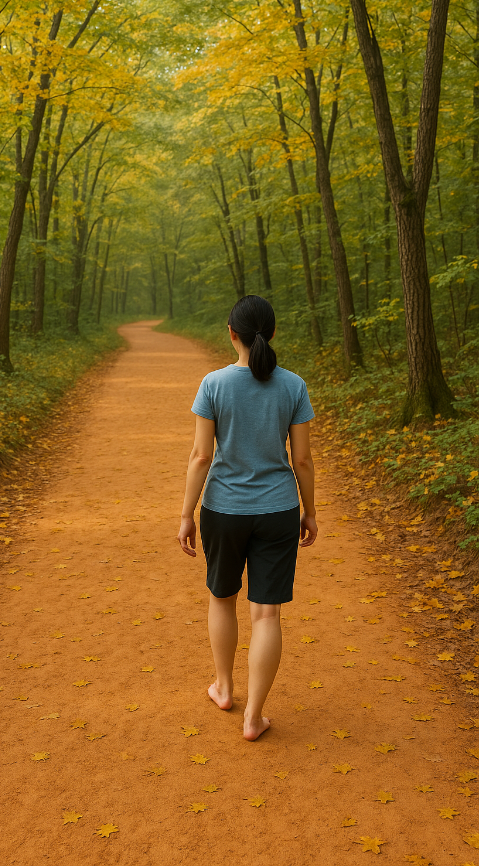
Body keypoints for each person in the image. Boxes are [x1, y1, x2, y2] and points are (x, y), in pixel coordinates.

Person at [177, 295, 317, 741]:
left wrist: (186, 514)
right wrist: (310, 511)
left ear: (231, 333)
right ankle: (253, 717)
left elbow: (201, 456)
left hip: (223, 509)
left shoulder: (213, 384)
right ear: (272, 334)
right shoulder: (293, 386)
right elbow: (304, 461)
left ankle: (224, 687)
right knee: (267, 615)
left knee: (222, 598)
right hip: (278, 510)